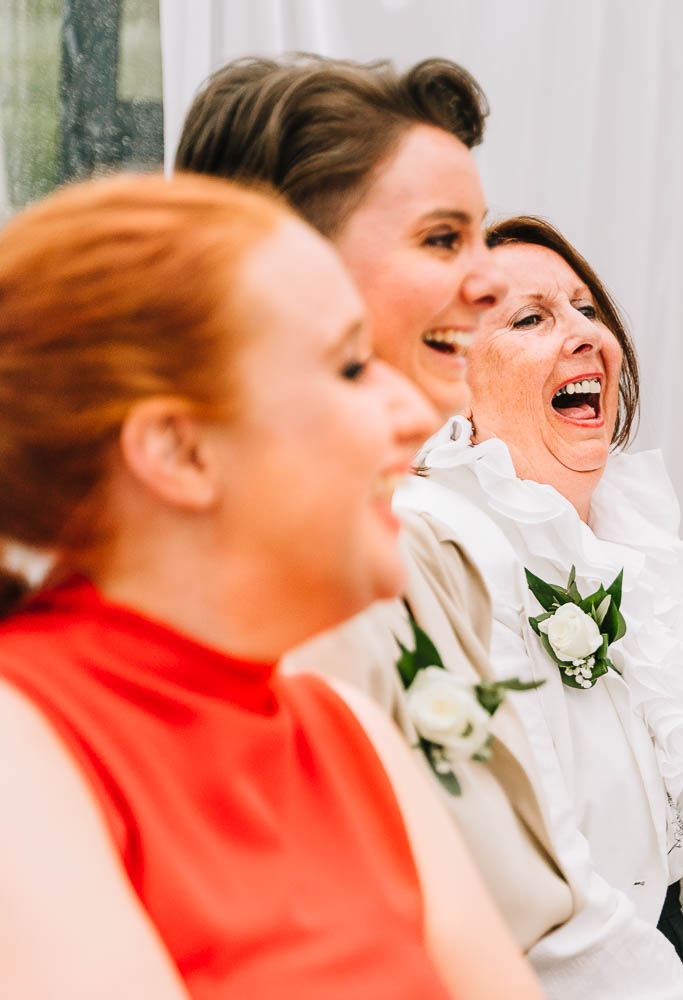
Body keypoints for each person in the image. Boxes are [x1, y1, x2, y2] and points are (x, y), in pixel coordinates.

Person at [0, 173, 544, 999]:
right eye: (352, 366)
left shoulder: (349, 735)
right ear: (181, 452)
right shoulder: (24, 742)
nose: (412, 411)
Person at [175, 54, 575, 949]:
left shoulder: (440, 556)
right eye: (442, 240)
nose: (490, 283)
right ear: (282, 260)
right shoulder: (228, 613)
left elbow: (563, 892)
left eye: (481, 238)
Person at [397, 216, 683, 998]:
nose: (587, 336)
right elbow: (538, 911)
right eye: (532, 318)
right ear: (455, 383)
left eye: (586, 308)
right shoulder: (438, 548)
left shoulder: (635, 539)